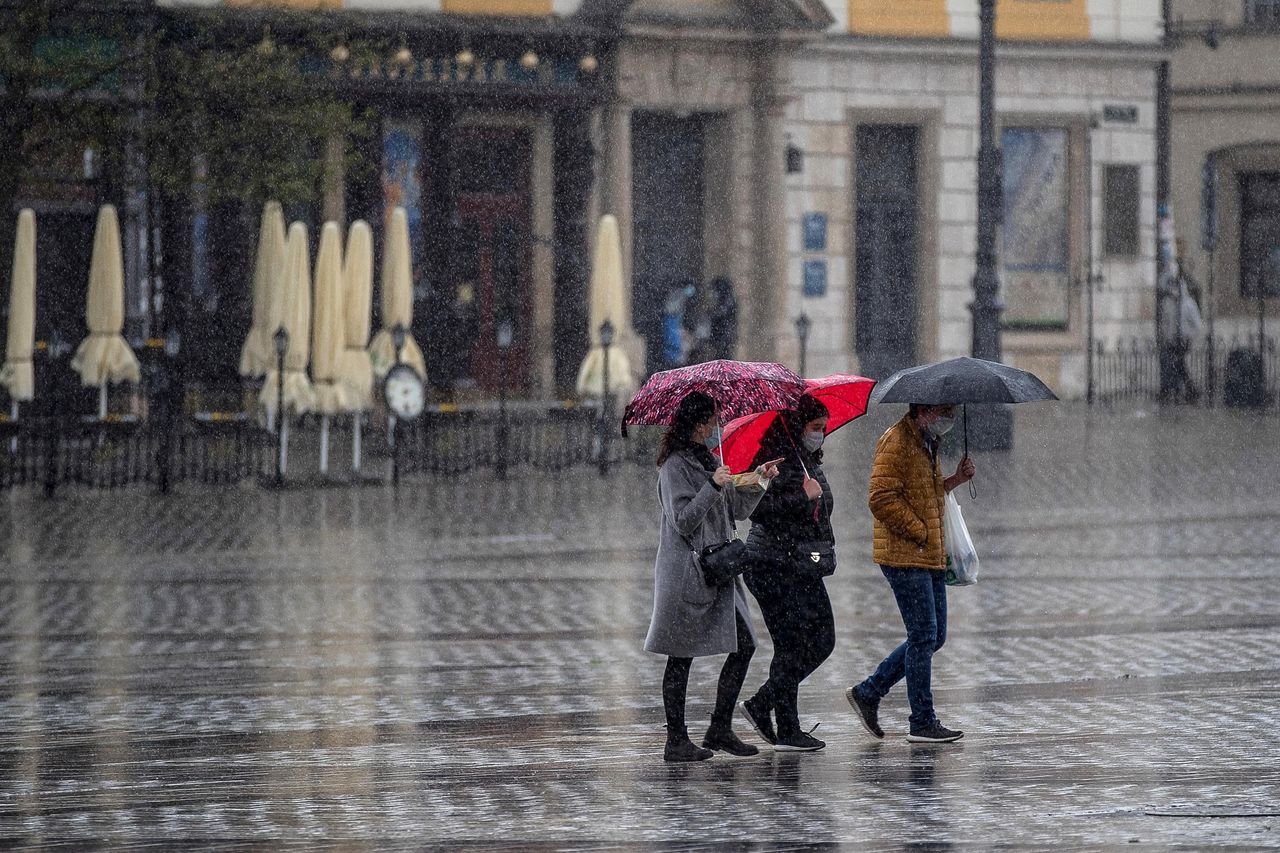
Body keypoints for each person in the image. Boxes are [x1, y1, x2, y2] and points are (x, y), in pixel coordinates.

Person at [644, 391, 781, 761]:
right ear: (697, 423)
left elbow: (734, 509)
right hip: (687, 573)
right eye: (711, 421)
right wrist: (713, 485)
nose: (715, 427)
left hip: (720, 567)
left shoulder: (710, 459)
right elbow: (684, 520)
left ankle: (719, 728)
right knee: (680, 654)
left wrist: (760, 481)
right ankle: (676, 740)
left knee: (745, 644)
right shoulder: (673, 466)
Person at [845, 403, 976, 743]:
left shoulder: (926, 442)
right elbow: (880, 497)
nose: (948, 419)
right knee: (923, 634)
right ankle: (921, 720)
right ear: (923, 410)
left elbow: (926, 494)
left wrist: (954, 481)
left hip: (929, 552)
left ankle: (869, 692)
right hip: (906, 553)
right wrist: (919, 530)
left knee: (936, 635)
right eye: (943, 412)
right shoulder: (896, 441)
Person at [740, 395, 836, 752]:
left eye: (824, 428)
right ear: (798, 426)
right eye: (815, 428)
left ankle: (774, 714)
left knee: (816, 640)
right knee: (797, 643)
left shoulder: (806, 458)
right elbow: (757, 509)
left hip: (801, 561)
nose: (821, 435)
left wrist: (814, 501)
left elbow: (820, 507)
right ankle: (782, 723)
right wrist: (803, 498)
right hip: (772, 563)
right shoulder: (774, 460)